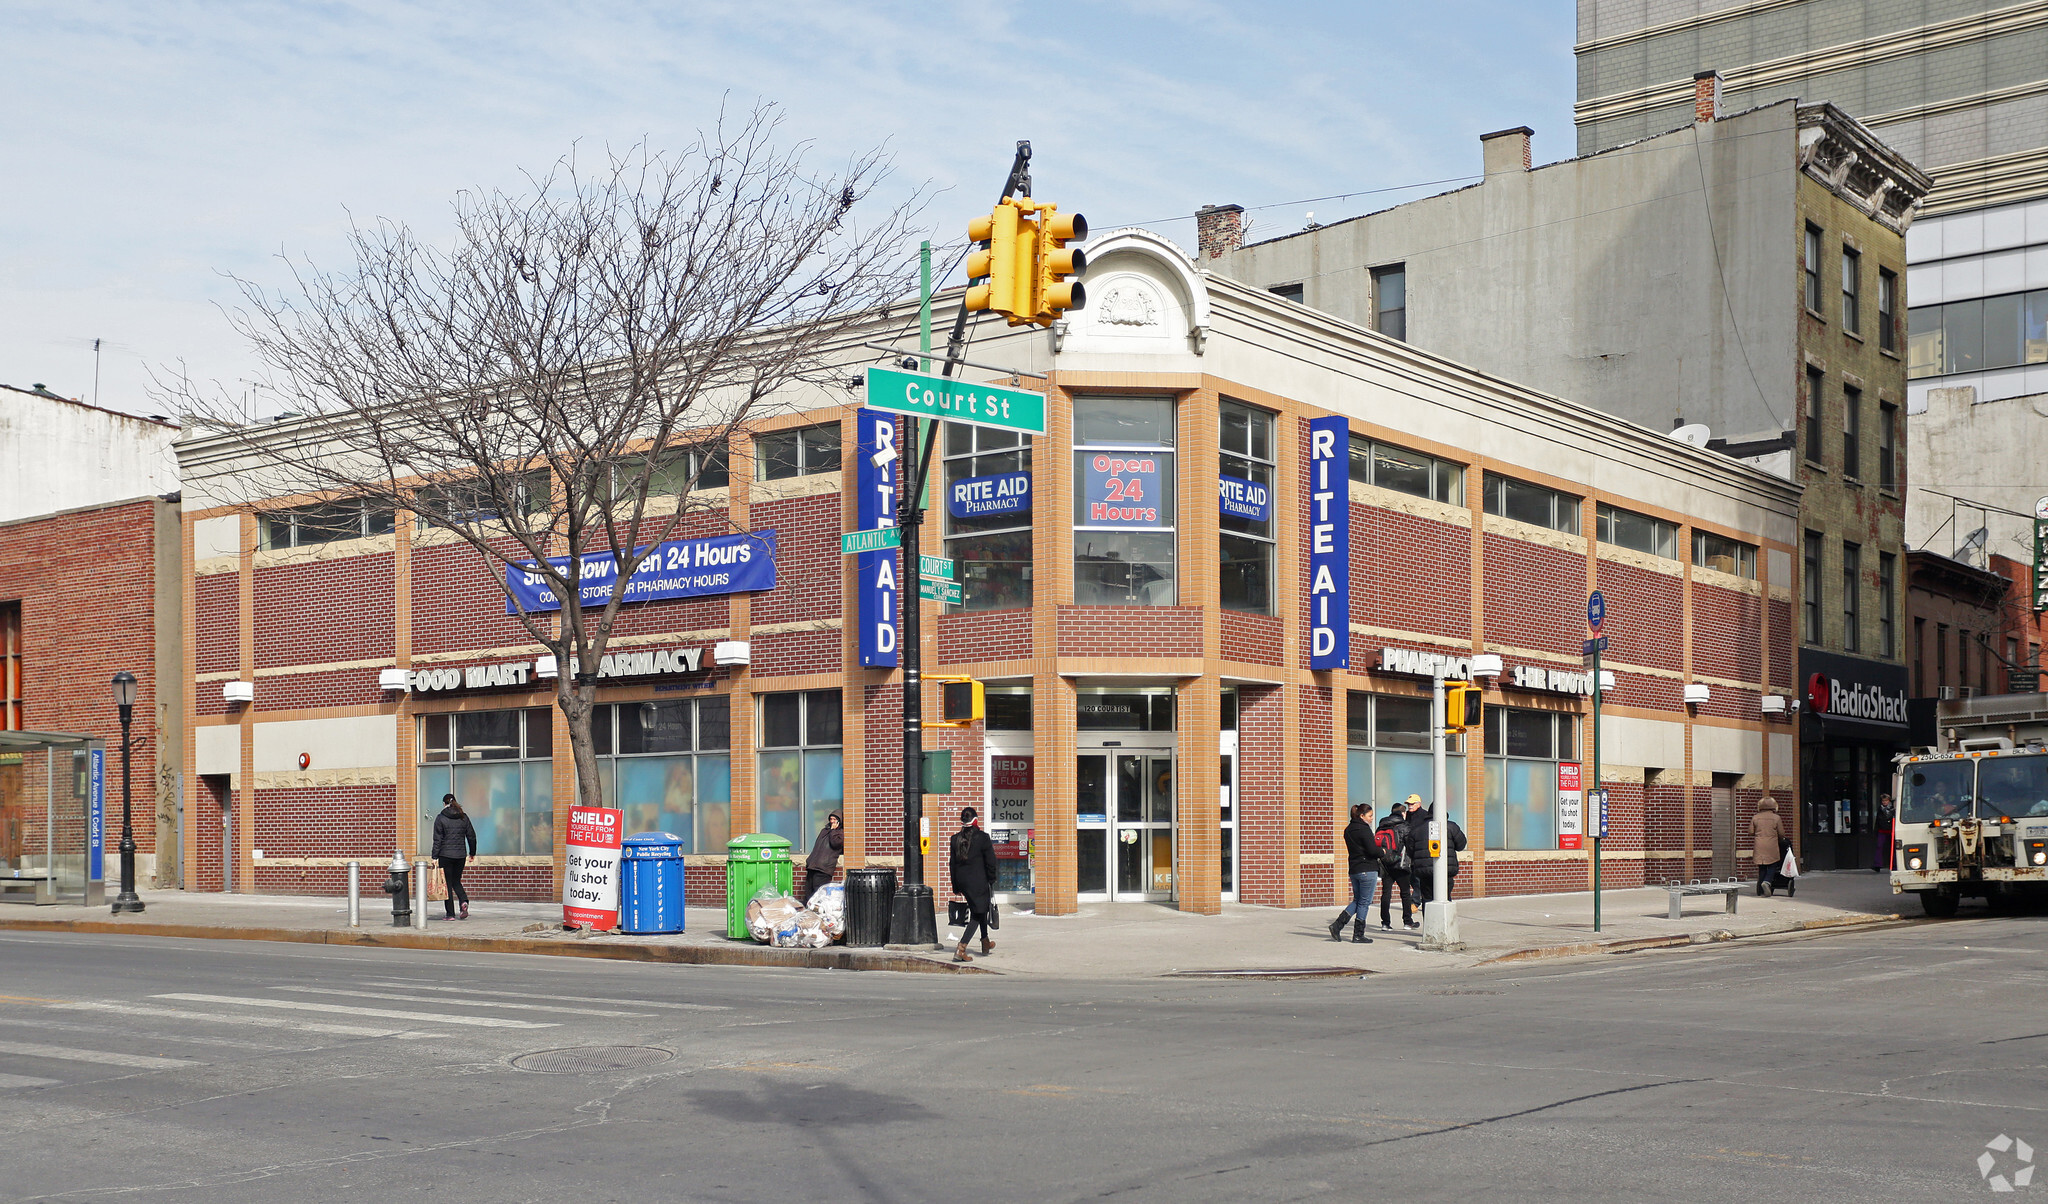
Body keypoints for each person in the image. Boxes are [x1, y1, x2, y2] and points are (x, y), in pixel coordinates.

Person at [949, 806, 999, 962]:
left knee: (980, 908)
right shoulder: (982, 838)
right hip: (978, 882)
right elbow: (991, 862)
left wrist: (955, 886)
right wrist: (992, 879)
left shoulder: (954, 838)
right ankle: (961, 948)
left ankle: (985, 942)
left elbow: (952, 864)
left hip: (963, 883)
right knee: (977, 914)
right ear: (976, 820)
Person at [1327, 803, 1380, 944]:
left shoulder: (1348, 830)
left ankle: (1337, 925)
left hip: (1354, 869)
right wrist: (1383, 852)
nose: (1372, 818)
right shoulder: (1364, 830)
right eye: (1370, 816)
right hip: (1367, 869)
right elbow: (1372, 850)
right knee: (1364, 902)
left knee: (1357, 900)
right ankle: (1358, 935)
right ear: (1362, 816)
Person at [431, 793, 477, 920]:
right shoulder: (463, 817)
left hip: (445, 855)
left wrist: (434, 857)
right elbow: (471, 836)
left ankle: (450, 914)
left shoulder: (440, 818)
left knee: (447, 884)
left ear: (444, 804)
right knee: (456, 881)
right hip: (460, 855)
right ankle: (463, 901)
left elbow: (437, 840)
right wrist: (472, 853)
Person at [1379, 801, 1418, 931]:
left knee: (1386, 893)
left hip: (1385, 864)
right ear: (1403, 813)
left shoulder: (1382, 825)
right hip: (1401, 864)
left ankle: (1385, 923)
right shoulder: (1405, 826)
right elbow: (1411, 845)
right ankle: (1407, 922)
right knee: (1405, 893)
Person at [803, 810, 843, 904]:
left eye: (835, 819)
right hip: (813, 866)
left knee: (819, 894)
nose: (832, 821)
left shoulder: (840, 833)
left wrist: (833, 831)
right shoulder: (824, 831)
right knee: (808, 894)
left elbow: (835, 844)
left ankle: (818, 914)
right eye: (831, 819)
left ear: (839, 821)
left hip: (824, 868)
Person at [1752, 795, 1787, 897]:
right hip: (1771, 844)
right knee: (1772, 865)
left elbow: (1750, 831)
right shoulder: (1776, 818)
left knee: (1762, 867)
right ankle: (1767, 882)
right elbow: (1781, 833)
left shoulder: (1755, 817)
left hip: (1759, 844)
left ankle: (1761, 889)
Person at [1872, 793, 1894, 873]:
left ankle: (1894, 864)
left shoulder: (1893, 809)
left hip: (1890, 830)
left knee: (1893, 848)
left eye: (1886, 801)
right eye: (1883, 801)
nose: (1884, 802)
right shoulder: (1880, 809)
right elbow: (1877, 820)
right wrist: (1876, 830)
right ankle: (1877, 865)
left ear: (1889, 801)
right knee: (1879, 846)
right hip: (1882, 830)